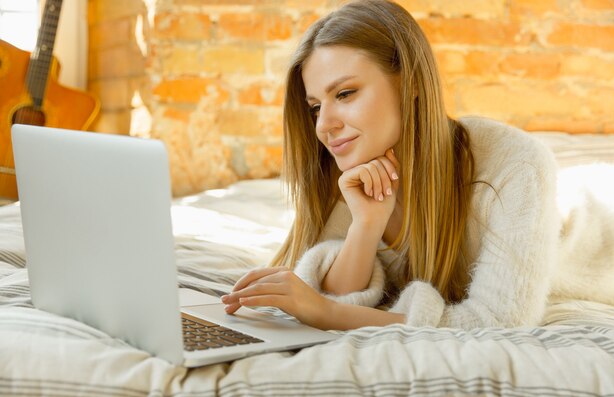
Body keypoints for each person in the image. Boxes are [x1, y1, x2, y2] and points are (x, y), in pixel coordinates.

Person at [220, 0, 560, 330]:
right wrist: (366, 226)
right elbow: (333, 291)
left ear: (409, 82)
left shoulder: (519, 167)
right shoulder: (354, 166)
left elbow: (499, 322)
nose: (324, 125)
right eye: (315, 107)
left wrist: (328, 315)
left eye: (345, 94)